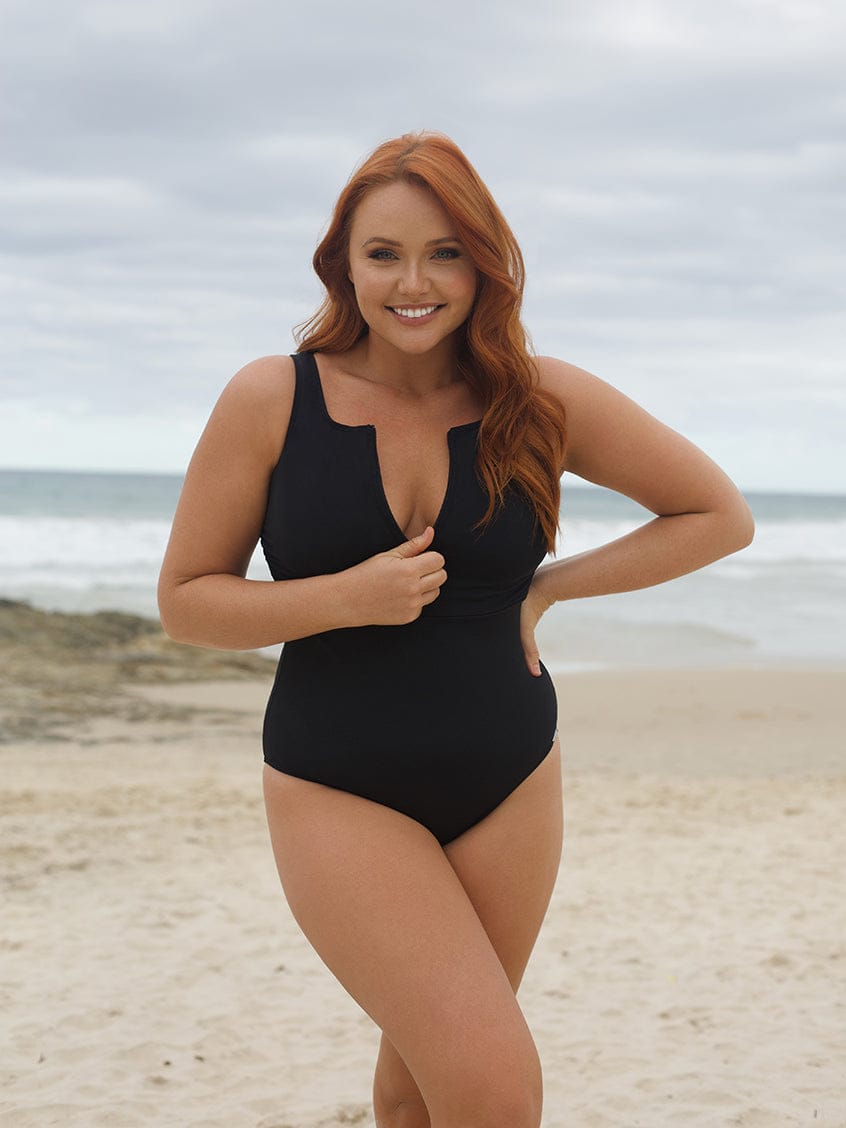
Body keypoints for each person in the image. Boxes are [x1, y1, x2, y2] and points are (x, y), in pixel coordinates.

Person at [158, 131, 754, 1128]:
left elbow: (716, 517)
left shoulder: (539, 396)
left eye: (445, 252)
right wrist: (339, 599)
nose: (413, 283)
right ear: (342, 263)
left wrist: (548, 589)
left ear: (484, 262)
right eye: (383, 253)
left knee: (420, 1088)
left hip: (511, 776)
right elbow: (188, 602)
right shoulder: (272, 397)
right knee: (491, 1084)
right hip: (337, 783)